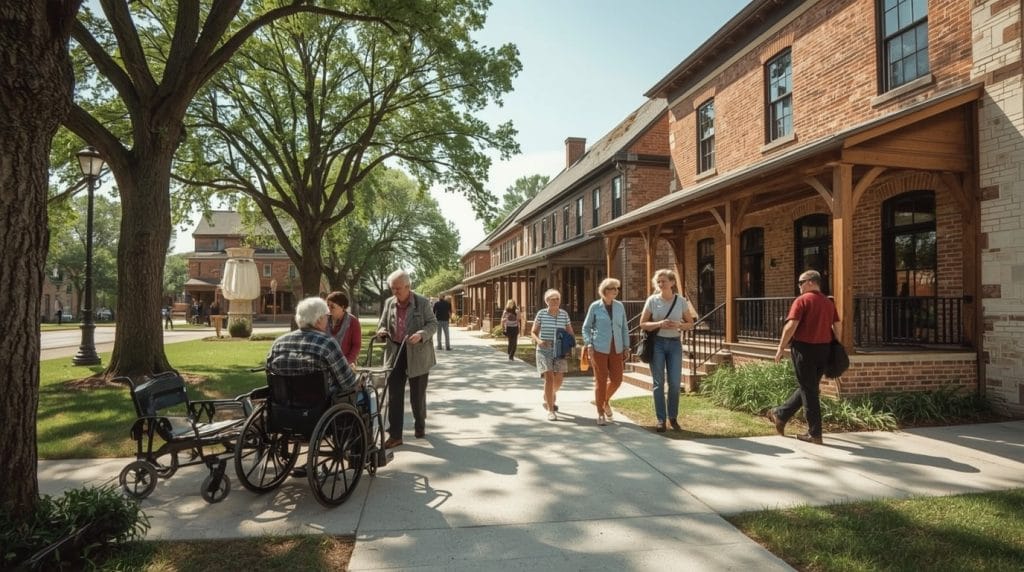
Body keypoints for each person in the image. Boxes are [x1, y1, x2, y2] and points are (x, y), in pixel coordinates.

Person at [767, 270, 841, 445]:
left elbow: (791, 326)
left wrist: (780, 347)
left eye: (800, 283)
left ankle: (814, 433)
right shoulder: (828, 302)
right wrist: (837, 346)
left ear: (809, 282)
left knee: (809, 390)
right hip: (825, 349)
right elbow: (837, 325)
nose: (798, 286)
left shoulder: (802, 300)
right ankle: (781, 414)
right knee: (809, 386)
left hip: (804, 350)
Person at [377, 270, 438, 449]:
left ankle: (420, 424)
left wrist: (422, 334)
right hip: (395, 352)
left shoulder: (422, 302)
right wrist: (381, 332)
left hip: (417, 354)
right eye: (392, 289)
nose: (395, 292)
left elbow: (433, 324)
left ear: (408, 286)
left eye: (398, 289)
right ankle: (395, 435)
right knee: (394, 395)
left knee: (416, 396)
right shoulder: (389, 303)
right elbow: (382, 323)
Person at [640, 269, 694, 433]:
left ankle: (673, 417)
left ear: (672, 283)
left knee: (675, 383)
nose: (661, 284)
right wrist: (659, 324)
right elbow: (642, 324)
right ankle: (661, 419)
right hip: (657, 343)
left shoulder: (681, 301)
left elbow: (690, 323)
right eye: (659, 282)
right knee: (658, 383)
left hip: (675, 344)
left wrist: (678, 325)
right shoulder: (652, 300)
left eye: (664, 281)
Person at [582, 278, 630, 426]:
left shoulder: (619, 306)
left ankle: (604, 401)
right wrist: (589, 343)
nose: (616, 291)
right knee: (600, 381)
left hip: (617, 347)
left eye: (617, 288)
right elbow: (586, 327)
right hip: (598, 348)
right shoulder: (595, 306)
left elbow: (624, 328)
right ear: (605, 291)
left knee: (617, 380)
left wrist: (626, 346)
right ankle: (600, 412)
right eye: (613, 288)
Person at [531, 288, 574, 421]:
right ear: (547, 301)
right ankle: (550, 409)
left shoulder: (564, 314)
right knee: (549, 377)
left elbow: (570, 331)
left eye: (557, 299)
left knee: (559, 379)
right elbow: (533, 332)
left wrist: (572, 345)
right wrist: (539, 341)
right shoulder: (541, 314)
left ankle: (548, 394)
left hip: (560, 349)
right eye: (552, 299)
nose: (555, 301)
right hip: (544, 349)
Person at [326, 291, 362, 366]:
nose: (329, 309)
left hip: (345, 363)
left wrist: (348, 362)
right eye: (328, 305)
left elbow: (356, 345)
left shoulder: (352, 321)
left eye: (332, 306)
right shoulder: (325, 319)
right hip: (326, 363)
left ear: (342, 307)